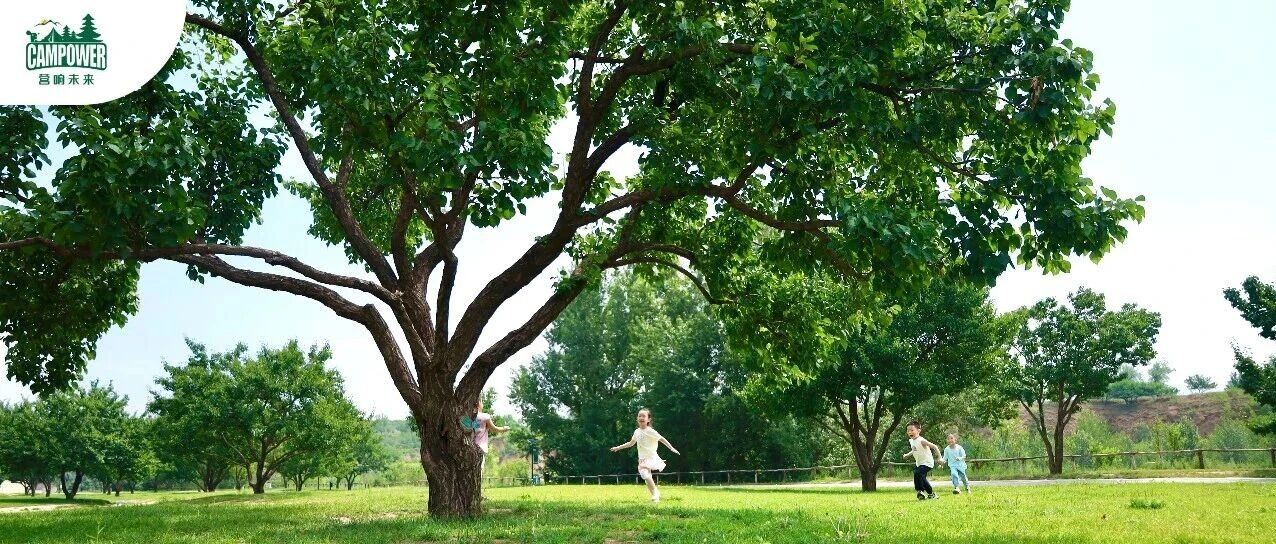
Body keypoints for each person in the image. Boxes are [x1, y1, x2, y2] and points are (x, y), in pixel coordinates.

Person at [610, 408, 680, 502]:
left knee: (645, 475)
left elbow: (662, 439)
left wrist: (671, 448)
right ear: (637, 418)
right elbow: (631, 443)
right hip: (642, 458)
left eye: (644, 416)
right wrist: (618, 448)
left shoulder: (650, 431)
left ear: (648, 419)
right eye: (639, 416)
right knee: (646, 477)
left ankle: (655, 493)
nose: (641, 418)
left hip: (651, 457)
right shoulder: (637, 432)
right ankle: (655, 495)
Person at [901, 420, 944, 500]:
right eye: (908, 430)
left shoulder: (921, 440)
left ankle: (920, 491)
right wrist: (907, 455)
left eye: (912, 430)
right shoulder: (911, 441)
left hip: (927, 463)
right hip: (920, 463)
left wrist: (940, 457)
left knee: (917, 472)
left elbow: (934, 446)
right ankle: (931, 494)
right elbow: (914, 450)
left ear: (918, 431)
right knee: (923, 479)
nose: (910, 432)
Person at [471, 399, 509, 475]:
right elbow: (495, 429)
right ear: (479, 403)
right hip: (480, 447)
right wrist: (504, 429)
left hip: (470, 446)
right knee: (479, 471)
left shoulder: (467, 417)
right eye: (482, 402)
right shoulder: (485, 417)